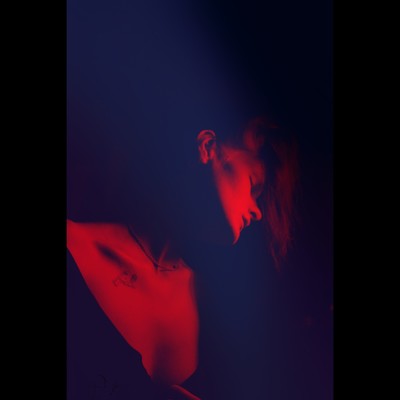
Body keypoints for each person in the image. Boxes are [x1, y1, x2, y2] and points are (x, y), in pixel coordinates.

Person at [67, 115, 298, 399]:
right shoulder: (74, 246)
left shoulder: (217, 318)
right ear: (208, 147)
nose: (258, 212)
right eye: (253, 184)